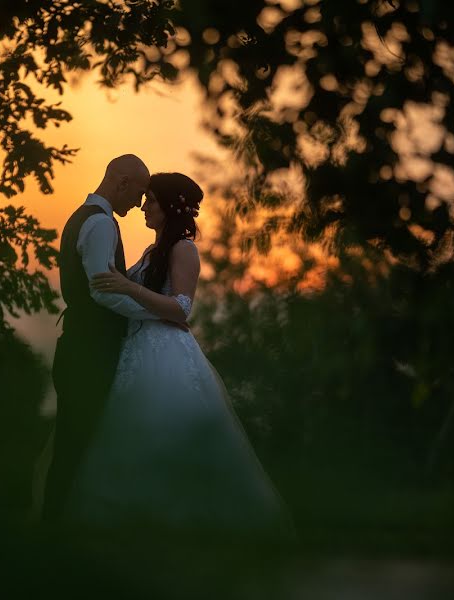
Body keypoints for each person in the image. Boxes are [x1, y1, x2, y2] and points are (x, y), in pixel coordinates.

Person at [61, 172, 295, 540]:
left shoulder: (183, 249)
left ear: (169, 207)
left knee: (164, 426)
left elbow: (181, 307)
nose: (143, 207)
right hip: (136, 349)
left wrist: (126, 286)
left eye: (150, 200)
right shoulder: (153, 251)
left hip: (166, 352)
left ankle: (184, 521)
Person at [40, 155, 185, 522]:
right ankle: (53, 523)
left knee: (79, 440)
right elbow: (102, 292)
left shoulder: (83, 218)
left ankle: (61, 520)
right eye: (139, 193)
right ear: (121, 183)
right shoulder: (102, 224)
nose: (138, 204)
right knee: (76, 442)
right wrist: (159, 313)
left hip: (82, 346)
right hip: (88, 351)